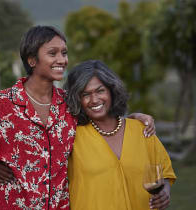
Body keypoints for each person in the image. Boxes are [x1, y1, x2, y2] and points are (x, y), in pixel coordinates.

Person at [0, 26, 155, 209]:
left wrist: (133, 118)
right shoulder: (3, 102)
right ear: (32, 60)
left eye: (64, 53)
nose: (62, 60)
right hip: (9, 204)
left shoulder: (70, 103)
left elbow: (102, 121)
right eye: (52, 53)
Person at [64, 60, 176, 210]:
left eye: (100, 91)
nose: (94, 100)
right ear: (77, 99)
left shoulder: (142, 130)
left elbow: (164, 173)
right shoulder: (70, 137)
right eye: (86, 94)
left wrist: (165, 193)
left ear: (111, 90)